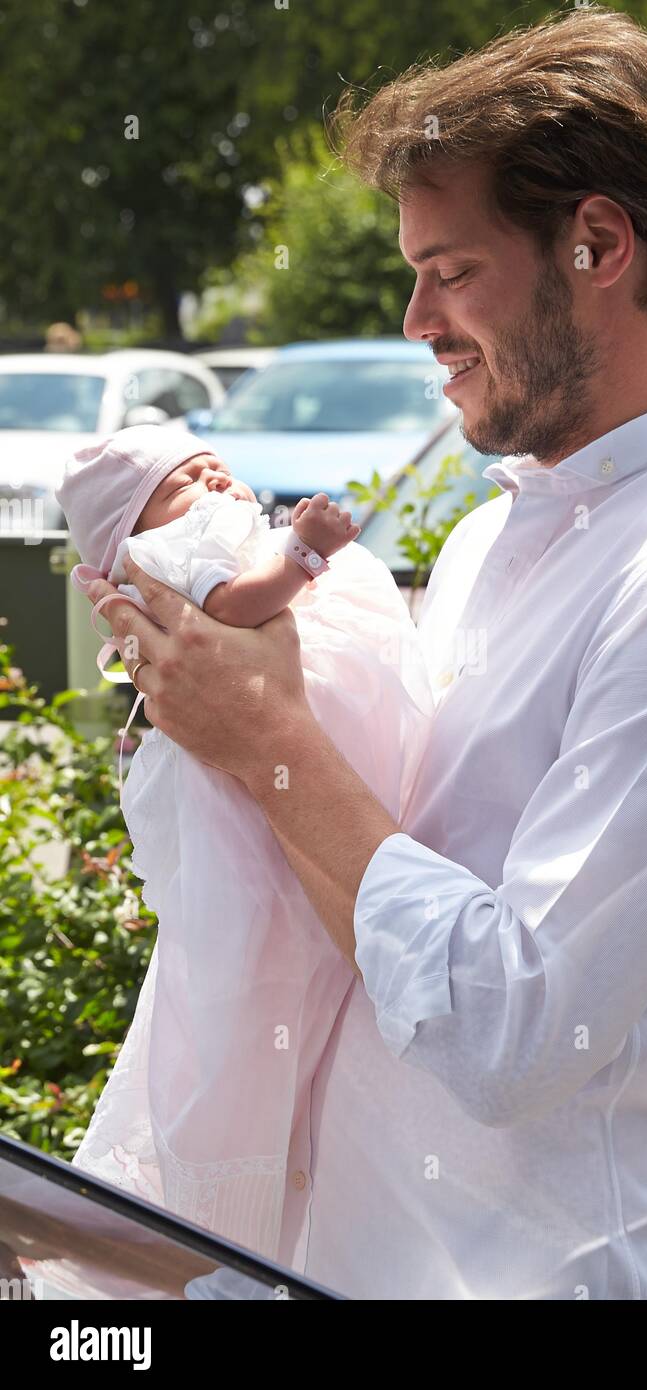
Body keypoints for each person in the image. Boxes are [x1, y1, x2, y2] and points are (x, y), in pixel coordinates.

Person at [80, 9, 647, 1299]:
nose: (412, 316)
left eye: (449, 269)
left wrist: (266, 741)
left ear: (597, 243)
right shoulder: (506, 534)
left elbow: (505, 1033)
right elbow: (372, 918)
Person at [56, 425, 432, 1262]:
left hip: (303, 755)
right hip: (256, 786)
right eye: (181, 480)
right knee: (269, 966)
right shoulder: (170, 556)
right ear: (135, 530)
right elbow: (229, 608)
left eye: (206, 459)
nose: (210, 476)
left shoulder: (202, 532)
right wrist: (303, 552)